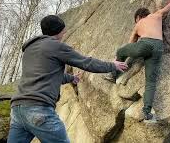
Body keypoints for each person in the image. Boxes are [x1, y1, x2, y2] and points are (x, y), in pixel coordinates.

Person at [7, 15, 128, 143]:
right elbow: (86, 62)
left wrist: (71, 78)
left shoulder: (29, 50)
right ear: (57, 30)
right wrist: (112, 65)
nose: (65, 32)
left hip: (17, 110)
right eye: (63, 30)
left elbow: (46, 74)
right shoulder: (55, 46)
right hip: (38, 109)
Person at [108, 0, 170, 121]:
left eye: (136, 20)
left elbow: (130, 46)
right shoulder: (157, 15)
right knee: (151, 82)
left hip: (144, 45)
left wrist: (125, 61)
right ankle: (147, 112)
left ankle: (113, 73)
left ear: (139, 17)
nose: (136, 22)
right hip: (158, 47)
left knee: (121, 50)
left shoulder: (138, 24)